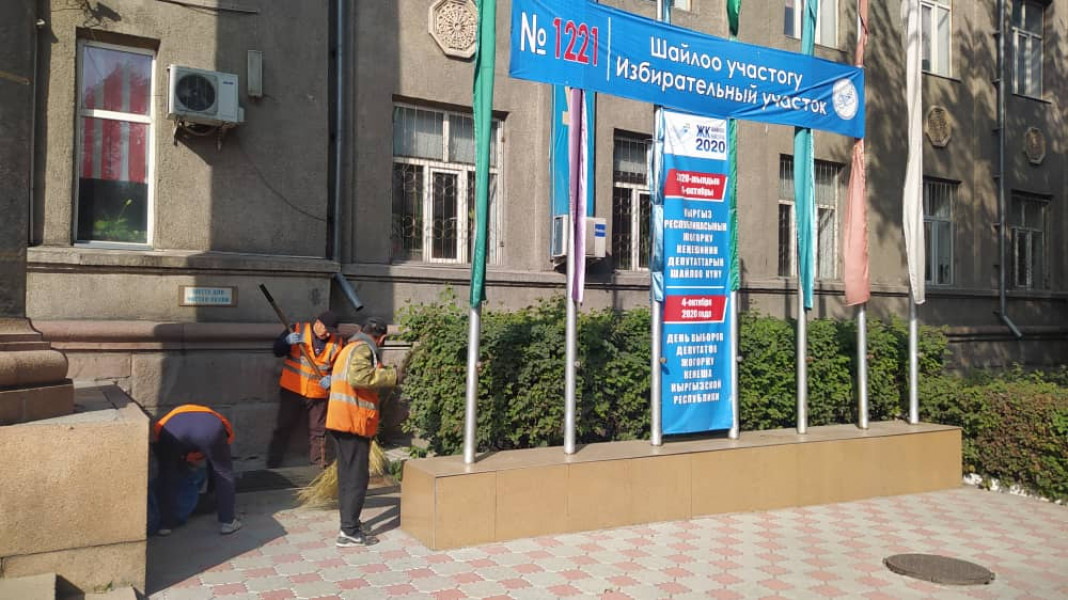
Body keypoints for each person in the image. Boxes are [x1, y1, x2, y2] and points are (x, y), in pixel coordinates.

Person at [326, 317, 398, 547]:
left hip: (341, 420)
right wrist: (393, 376)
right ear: (381, 338)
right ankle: (349, 531)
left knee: (347, 477)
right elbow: (359, 378)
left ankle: (348, 524)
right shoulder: (363, 349)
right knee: (356, 479)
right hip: (353, 422)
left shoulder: (348, 348)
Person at [268, 310, 344, 469]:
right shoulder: (297, 329)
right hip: (292, 390)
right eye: (326, 329)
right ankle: (272, 465)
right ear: (318, 323)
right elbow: (276, 350)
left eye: (331, 331)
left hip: (318, 394)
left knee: (319, 432)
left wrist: (333, 379)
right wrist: (286, 342)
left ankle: (318, 466)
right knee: (283, 427)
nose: (328, 333)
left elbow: (342, 368)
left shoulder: (338, 342)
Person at [153, 404, 241, 536]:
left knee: (167, 473)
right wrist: (213, 492)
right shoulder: (219, 423)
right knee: (223, 472)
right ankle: (228, 522)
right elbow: (215, 463)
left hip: (170, 430)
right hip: (210, 429)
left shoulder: (170, 418)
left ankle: (165, 525)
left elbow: (163, 442)